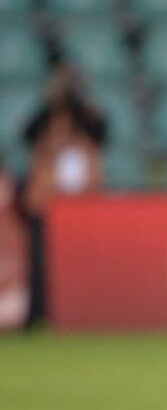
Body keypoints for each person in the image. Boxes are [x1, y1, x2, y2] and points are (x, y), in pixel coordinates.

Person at [18, 62, 106, 329]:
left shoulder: (86, 125)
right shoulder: (43, 128)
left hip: (77, 207)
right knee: (39, 264)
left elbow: (101, 132)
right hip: (48, 205)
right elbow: (28, 133)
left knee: (80, 265)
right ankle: (39, 315)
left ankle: (80, 314)